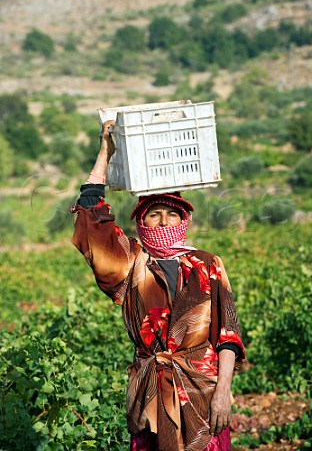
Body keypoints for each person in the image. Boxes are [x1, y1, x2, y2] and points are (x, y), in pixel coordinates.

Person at [71, 120, 245, 451]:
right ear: (141, 220)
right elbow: (92, 220)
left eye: (172, 214)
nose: (164, 222)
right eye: (154, 214)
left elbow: (228, 334)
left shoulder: (207, 264)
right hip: (150, 394)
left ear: (185, 220)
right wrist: (105, 152)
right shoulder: (130, 263)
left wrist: (224, 391)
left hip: (202, 391)